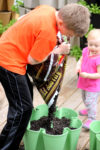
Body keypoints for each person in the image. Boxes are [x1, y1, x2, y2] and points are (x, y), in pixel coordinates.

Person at [0, 3, 90, 150]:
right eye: (70, 33)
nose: (68, 36)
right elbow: (33, 59)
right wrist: (57, 50)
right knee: (23, 109)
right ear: (61, 22)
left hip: (6, 48)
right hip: (9, 62)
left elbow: (23, 19)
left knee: (24, 102)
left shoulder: (48, 10)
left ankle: (7, 142)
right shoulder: (48, 33)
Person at [76, 29, 100, 130]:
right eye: (91, 44)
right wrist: (78, 65)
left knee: (91, 101)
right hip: (84, 82)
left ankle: (92, 118)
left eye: (97, 46)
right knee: (85, 98)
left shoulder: (98, 58)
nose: (93, 48)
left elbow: (99, 74)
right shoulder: (86, 51)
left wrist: (87, 75)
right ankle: (88, 109)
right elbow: (81, 60)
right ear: (87, 42)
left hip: (93, 85)